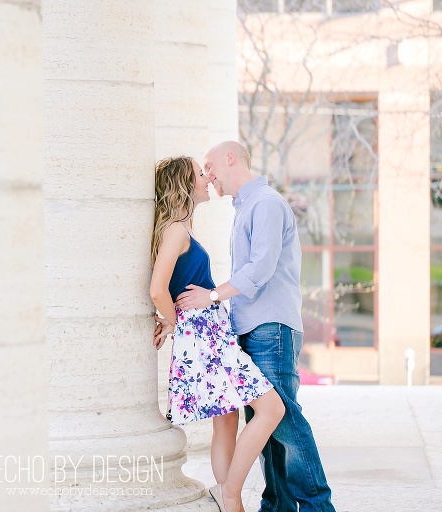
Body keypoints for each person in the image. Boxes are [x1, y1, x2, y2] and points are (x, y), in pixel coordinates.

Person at [172, 141, 336, 512]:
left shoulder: (265, 203)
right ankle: (277, 505)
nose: (208, 174)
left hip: (271, 328)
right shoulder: (247, 207)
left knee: (285, 421)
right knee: (269, 428)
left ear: (231, 158)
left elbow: (260, 269)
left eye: (210, 165)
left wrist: (213, 297)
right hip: (253, 328)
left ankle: (317, 507)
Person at [149, 155, 285, 512]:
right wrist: (174, 321)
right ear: (183, 184)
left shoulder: (181, 228)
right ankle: (230, 493)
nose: (207, 178)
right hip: (204, 333)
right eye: (199, 174)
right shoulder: (176, 229)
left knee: (226, 421)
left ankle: (228, 501)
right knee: (271, 409)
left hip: (210, 329)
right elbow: (157, 289)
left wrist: (171, 319)